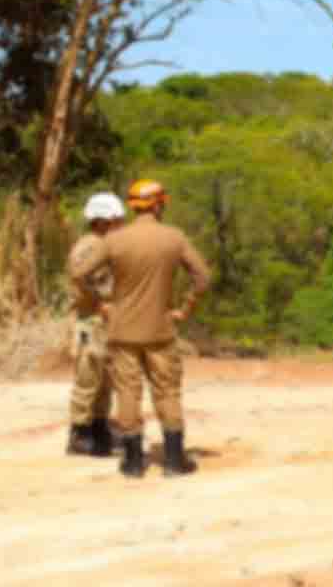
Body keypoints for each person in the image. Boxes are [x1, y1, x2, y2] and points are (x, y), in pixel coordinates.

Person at [73, 178, 213, 479]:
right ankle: (175, 461)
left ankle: (133, 462)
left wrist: (100, 304)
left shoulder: (114, 240)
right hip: (161, 330)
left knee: (127, 392)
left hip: (122, 331)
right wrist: (184, 309)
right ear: (160, 204)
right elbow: (202, 277)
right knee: (167, 391)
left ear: (134, 207)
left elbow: (79, 273)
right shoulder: (174, 238)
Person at [64, 192, 125, 457]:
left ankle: (100, 427)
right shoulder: (88, 246)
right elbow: (83, 281)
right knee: (88, 376)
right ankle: (79, 432)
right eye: (116, 219)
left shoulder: (105, 244)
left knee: (106, 378)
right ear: (102, 220)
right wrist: (101, 304)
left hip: (106, 320)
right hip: (90, 320)